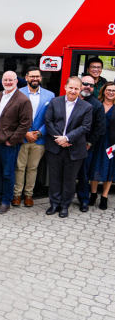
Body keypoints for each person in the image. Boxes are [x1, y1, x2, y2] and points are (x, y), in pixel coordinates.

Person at [0, 71, 33, 214]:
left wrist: (12, 141)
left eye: (11, 80)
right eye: (5, 80)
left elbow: (25, 124)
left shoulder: (23, 100)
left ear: (17, 81)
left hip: (9, 145)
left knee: (7, 173)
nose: (8, 82)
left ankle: (6, 201)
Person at [44, 76, 92, 218]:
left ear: (80, 89)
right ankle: (54, 204)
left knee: (70, 179)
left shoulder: (87, 107)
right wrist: (59, 139)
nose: (73, 90)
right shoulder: (55, 101)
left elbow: (85, 127)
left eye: (76, 88)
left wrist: (67, 138)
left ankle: (65, 206)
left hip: (74, 148)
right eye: (70, 87)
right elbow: (48, 121)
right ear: (65, 87)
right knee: (54, 178)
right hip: (55, 147)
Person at [13, 66, 55, 207]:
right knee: (19, 167)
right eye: (32, 76)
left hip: (39, 138)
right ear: (26, 78)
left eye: (37, 76)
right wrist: (25, 132)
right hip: (22, 137)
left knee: (33, 168)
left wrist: (38, 133)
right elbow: (14, 117)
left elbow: (50, 118)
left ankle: (28, 195)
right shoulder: (17, 93)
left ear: (41, 78)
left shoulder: (50, 96)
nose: (35, 79)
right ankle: (17, 194)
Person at [77, 75, 106, 211]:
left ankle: (83, 200)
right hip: (67, 144)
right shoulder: (72, 99)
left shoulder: (97, 105)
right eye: (84, 84)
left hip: (87, 147)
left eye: (91, 85)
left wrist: (89, 143)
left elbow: (100, 127)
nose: (87, 87)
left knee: (84, 174)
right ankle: (62, 198)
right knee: (66, 173)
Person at [88, 81, 115, 210]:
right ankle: (93, 194)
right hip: (96, 140)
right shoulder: (97, 104)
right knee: (95, 166)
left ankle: (104, 196)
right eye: (109, 90)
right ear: (104, 91)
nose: (111, 92)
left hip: (112, 143)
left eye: (114, 91)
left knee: (109, 168)